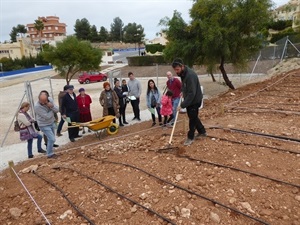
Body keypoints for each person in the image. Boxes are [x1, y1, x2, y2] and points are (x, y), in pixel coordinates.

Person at [172, 58, 206, 146]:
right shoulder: (183, 74)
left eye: (177, 69)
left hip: (194, 100)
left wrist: (182, 105)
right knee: (193, 116)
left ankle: (190, 137)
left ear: (182, 66)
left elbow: (192, 93)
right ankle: (202, 131)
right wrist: (182, 91)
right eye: (175, 70)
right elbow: (184, 85)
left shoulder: (190, 75)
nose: (176, 72)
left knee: (192, 119)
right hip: (190, 100)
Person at [34, 92, 59, 158]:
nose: (43, 103)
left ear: (47, 98)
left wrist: (52, 106)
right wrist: (51, 109)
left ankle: (50, 151)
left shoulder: (50, 99)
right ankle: (49, 154)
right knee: (52, 139)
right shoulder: (37, 106)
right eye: (41, 101)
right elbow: (47, 116)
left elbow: (57, 110)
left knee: (52, 139)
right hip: (43, 124)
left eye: (44, 101)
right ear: (39, 99)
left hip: (51, 122)